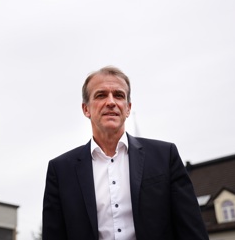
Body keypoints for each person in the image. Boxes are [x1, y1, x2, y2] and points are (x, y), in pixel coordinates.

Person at [42, 66, 209, 240]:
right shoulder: (60, 171)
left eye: (119, 95)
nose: (111, 102)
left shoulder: (165, 156)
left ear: (128, 108)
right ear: (86, 109)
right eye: (101, 95)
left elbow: (192, 230)